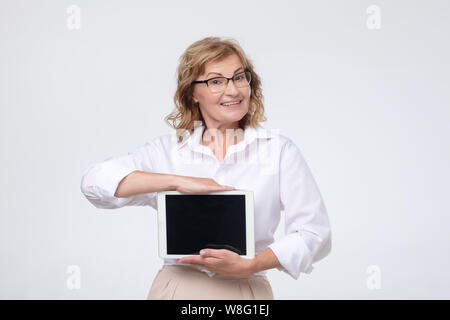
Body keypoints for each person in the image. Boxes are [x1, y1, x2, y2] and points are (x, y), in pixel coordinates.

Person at [80, 37, 332, 300]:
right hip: (178, 289)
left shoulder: (278, 150)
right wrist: (176, 181)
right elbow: (94, 182)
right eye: (216, 81)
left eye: (239, 77)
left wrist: (252, 264)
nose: (233, 90)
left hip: (246, 289)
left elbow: (314, 232)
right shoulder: (167, 151)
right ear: (192, 93)